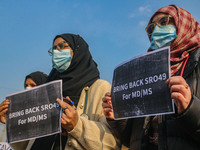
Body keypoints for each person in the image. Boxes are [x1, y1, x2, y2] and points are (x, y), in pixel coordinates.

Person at [102, 4, 200, 150]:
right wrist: (116, 117)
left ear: (183, 23)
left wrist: (190, 108)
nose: (156, 30)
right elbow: (131, 139)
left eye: (164, 22)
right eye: (151, 28)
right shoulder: (145, 70)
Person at [11, 33, 119, 150]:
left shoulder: (100, 88)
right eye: (54, 49)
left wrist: (76, 125)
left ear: (78, 51)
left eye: (63, 47)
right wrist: (14, 122)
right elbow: (20, 146)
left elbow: (111, 143)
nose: (57, 52)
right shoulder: (47, 89)